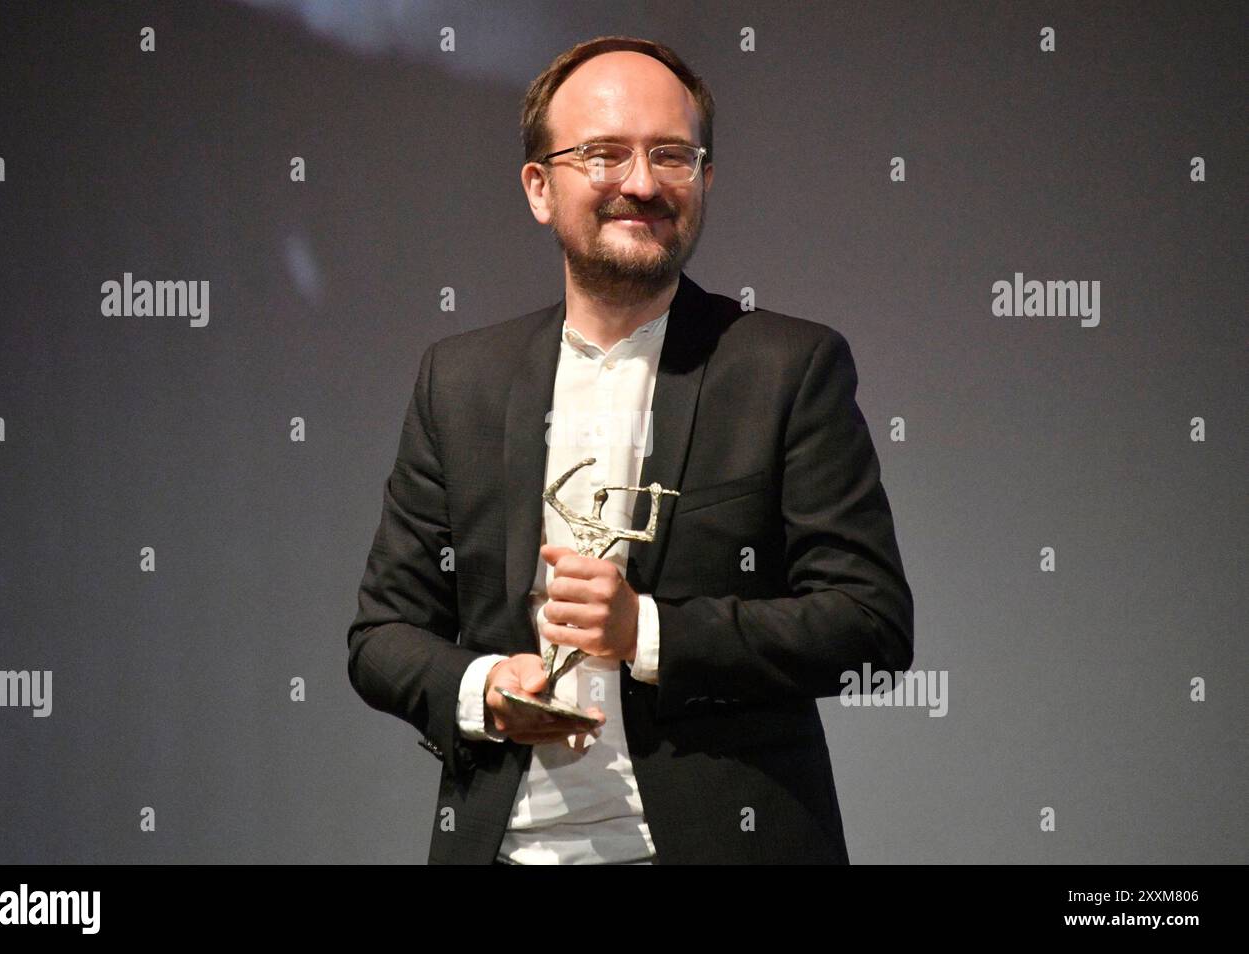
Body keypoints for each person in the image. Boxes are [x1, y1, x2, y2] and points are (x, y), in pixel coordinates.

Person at [347, 35, 914, 864]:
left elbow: (869, 624)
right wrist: (483, 688)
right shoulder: (460, 380)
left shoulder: (786, 368)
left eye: (672, 155)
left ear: (706, 179)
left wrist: (646, 632)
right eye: (604, 154)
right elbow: (383, 634)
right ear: (540, 188)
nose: (643, 183)